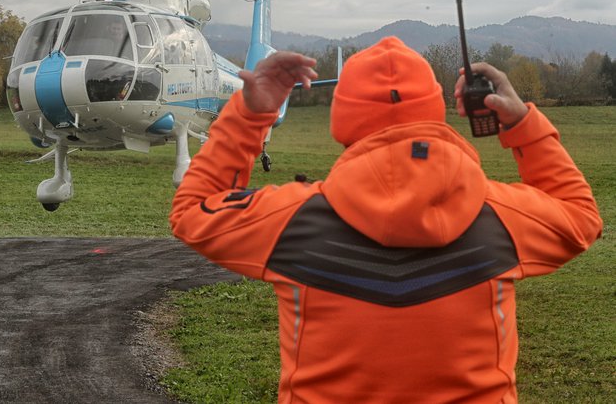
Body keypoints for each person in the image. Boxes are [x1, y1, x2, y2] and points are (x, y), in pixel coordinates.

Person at [170, 36, 602, 403]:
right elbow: (580, 216)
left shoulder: (291, 220)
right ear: (434, 108)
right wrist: (523, 123)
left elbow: (193, 210)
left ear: (343, 119)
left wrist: (249, 117)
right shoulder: (501, 218)